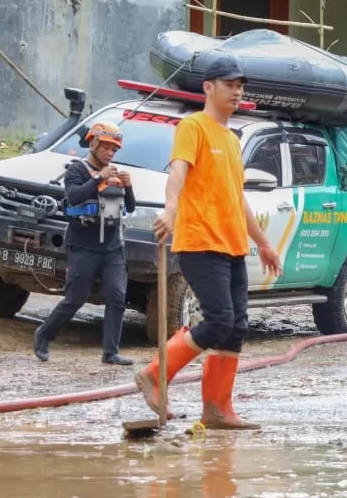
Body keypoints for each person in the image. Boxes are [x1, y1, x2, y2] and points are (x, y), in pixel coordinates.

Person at [134, 52, 284, 430]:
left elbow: (238, 198)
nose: (237, 92)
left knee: (236, 327)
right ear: (208, 87)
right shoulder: (194, 127)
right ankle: (154, 374)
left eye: (240, 86)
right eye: (230, 85)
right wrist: (170, 209)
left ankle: (217, 408)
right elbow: (178, 172)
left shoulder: (232, 141)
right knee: (218, 321)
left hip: (232, 245)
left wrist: (264, 243)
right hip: (200, 242)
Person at [33, 122, 136, 365]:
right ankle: (44, 335)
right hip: (83, 245)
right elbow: (74, 196)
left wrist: (128, 185)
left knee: (116, 297)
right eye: (106, 147)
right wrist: (99, 177)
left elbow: (129, 207)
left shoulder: (115, 174)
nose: (110, 153)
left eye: (114, 149)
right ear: (93, 144)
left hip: (113, 248)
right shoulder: (76, 171)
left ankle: (110, 352)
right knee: (75, 298)